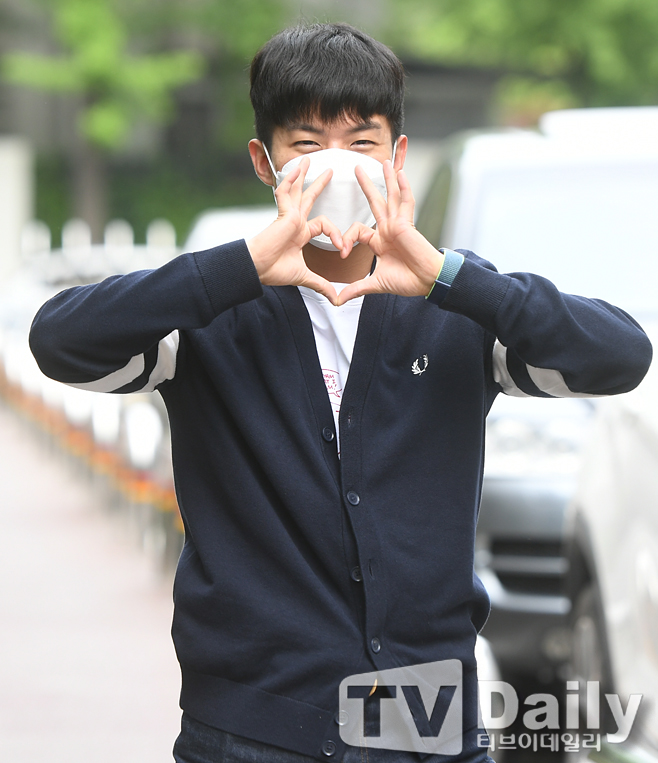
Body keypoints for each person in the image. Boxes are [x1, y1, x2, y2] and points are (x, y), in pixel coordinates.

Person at [29, 22, 652, 763]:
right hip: (251, 732)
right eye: (307, 144)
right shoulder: (209, 317)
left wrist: (445, 276)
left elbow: (621, 355)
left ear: (397, 157)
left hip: (425, 727)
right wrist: (239, 268)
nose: (338, 167)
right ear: (264, 162)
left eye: (362, 143)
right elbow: (59, 341)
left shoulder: (453, 311)